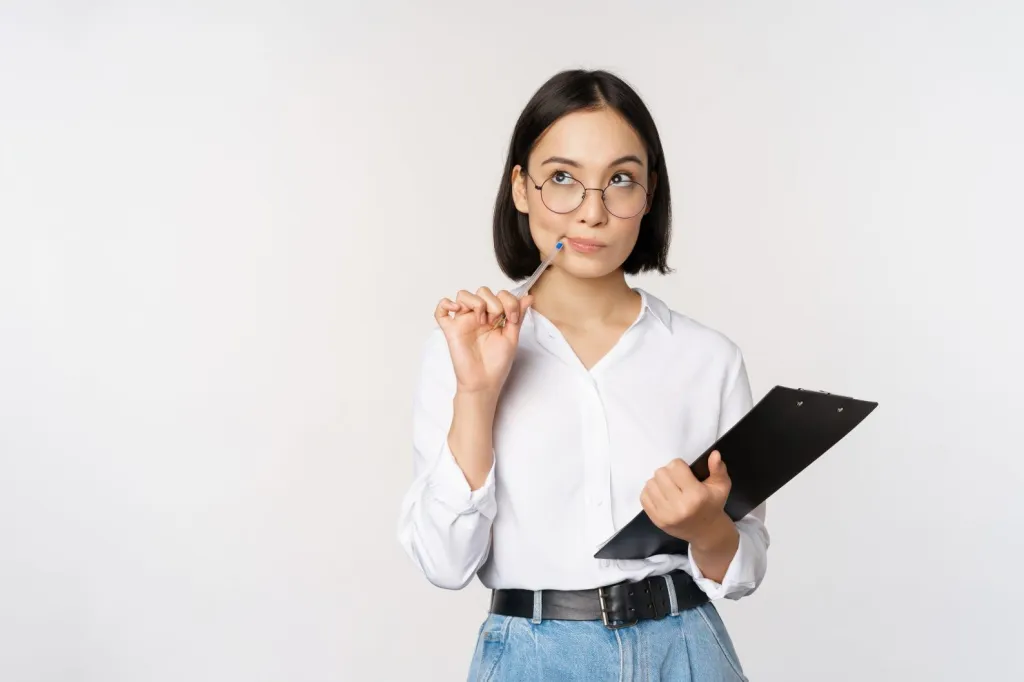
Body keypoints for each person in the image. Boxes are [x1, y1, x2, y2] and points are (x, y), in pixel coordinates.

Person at [397, 69, 769, 682]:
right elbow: (444, 563)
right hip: (532, 660)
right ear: (520, 187)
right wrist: (477, 394)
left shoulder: (709, 358)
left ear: (648, 195)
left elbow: (745, 563)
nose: (592, 213)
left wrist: (706, 528)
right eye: (563, 179)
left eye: (620, 180)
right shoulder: (460, 351)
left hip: (687, 652)